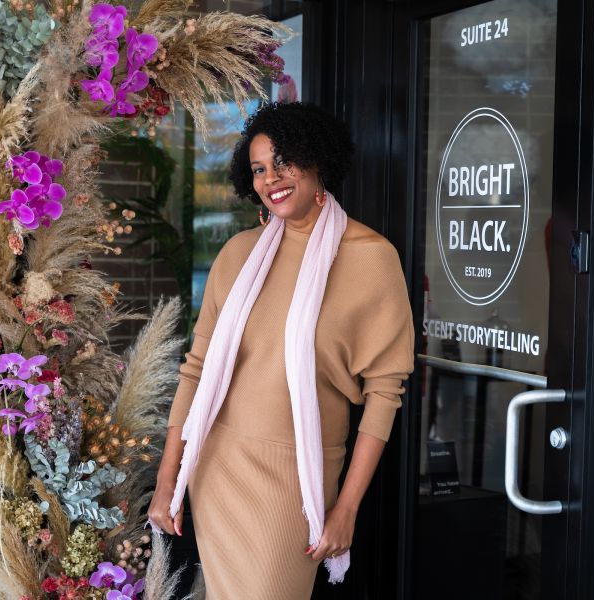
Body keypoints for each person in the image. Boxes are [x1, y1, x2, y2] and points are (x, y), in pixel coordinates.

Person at [147, 102, 415, 599]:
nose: (272, 178)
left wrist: (346, 508)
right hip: (218, 465)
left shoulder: (371, 258)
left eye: (284, 161)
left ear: (318, 162)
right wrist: (168, 480)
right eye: (259, 168)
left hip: (295, 481)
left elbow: (384, 392)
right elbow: (197, 370)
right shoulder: (238, 254)